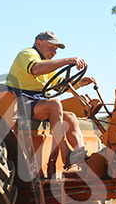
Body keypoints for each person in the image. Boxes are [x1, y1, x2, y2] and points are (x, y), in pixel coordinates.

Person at [6, 31, 96, 169]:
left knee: (70, 117)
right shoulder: (28, 54)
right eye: (51, 47)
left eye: (56, 50)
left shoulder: (48, 65)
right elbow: (35, 69)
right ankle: (66, 153)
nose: (54, 52)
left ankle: (81, 157)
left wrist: (79, 83)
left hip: (37, 104)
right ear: (39, 43)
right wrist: (67, 60)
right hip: (19, 103)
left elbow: (60, 87)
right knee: (54, 104)